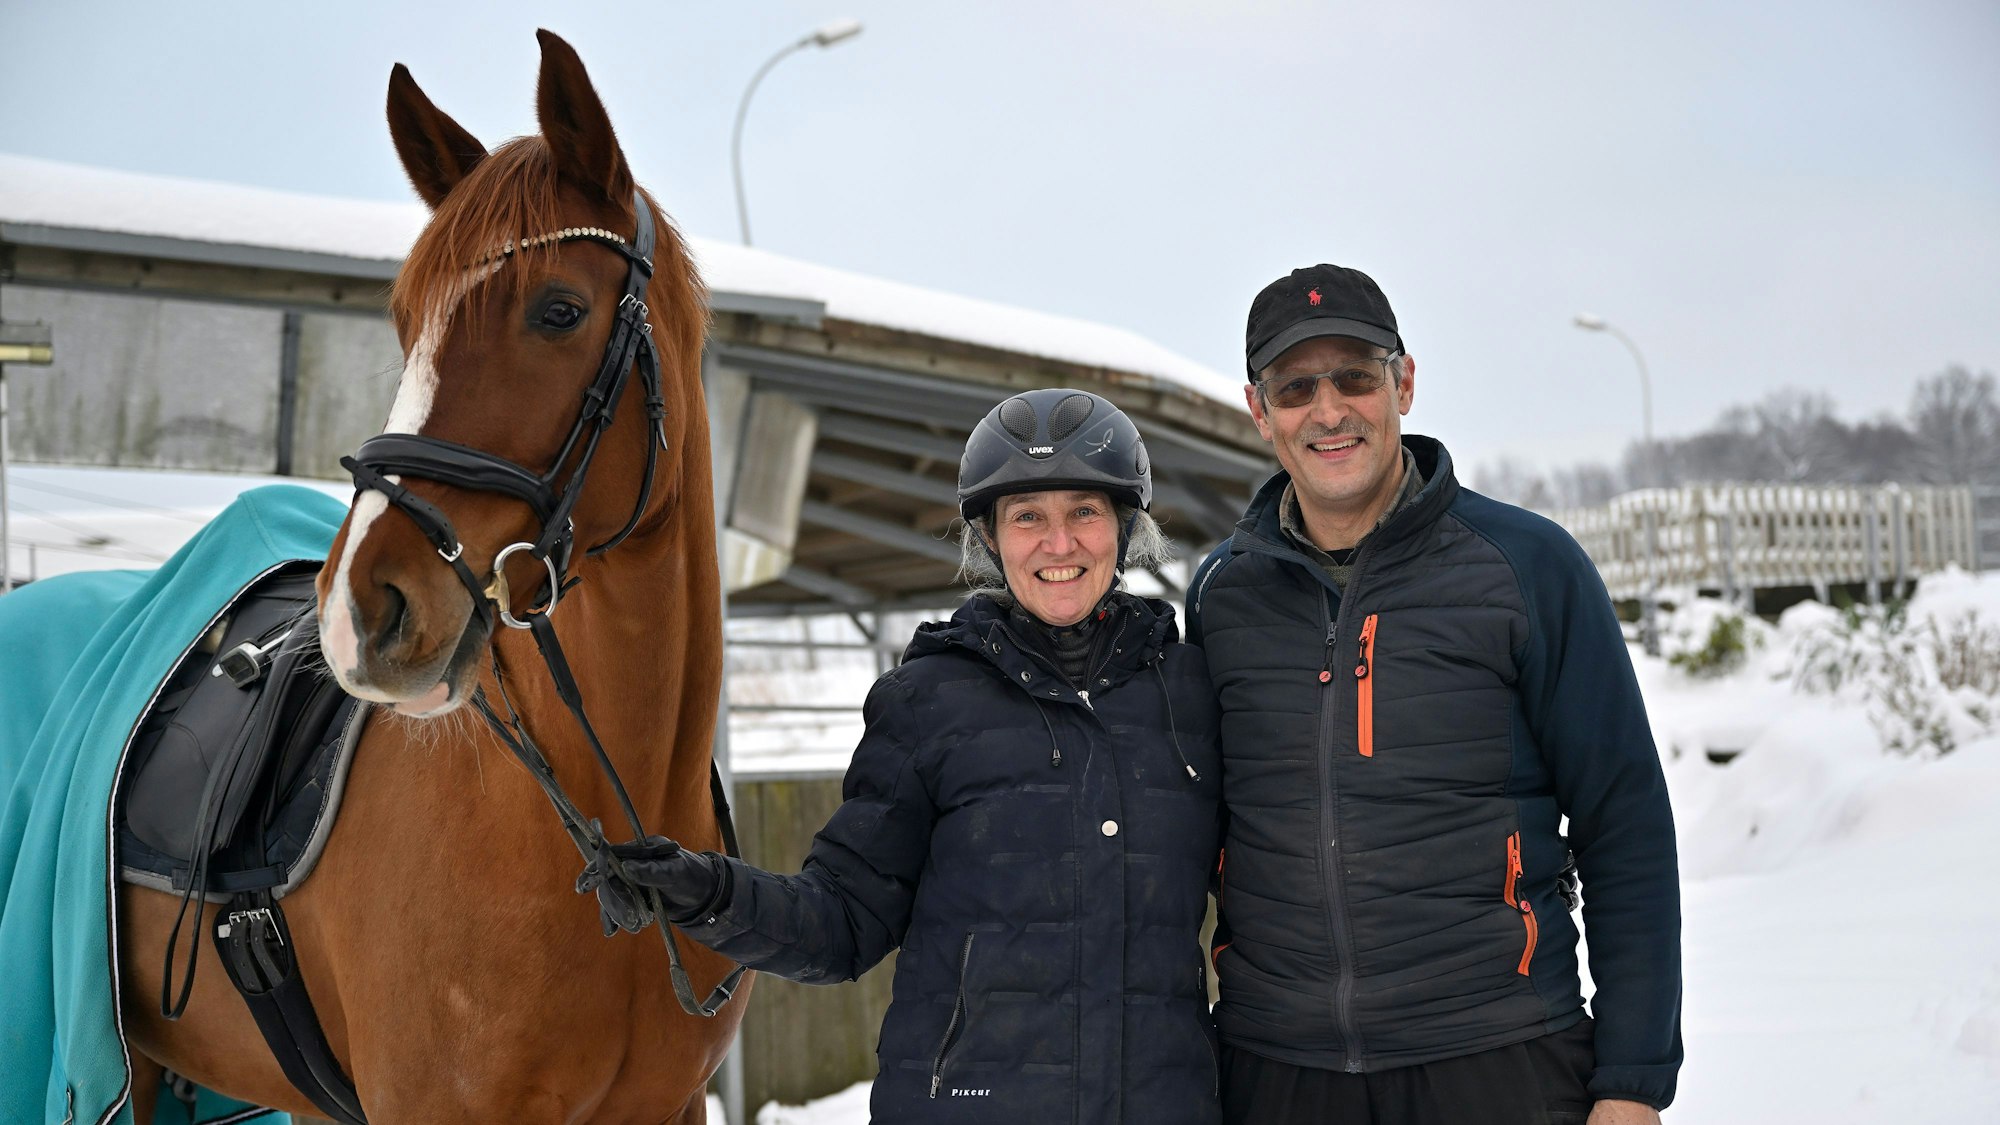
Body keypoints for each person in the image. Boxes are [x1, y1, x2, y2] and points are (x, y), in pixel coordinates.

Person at [585, 389, 1224, 1124]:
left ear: (1124, 525)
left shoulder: (1192, 698)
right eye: (1027, 517)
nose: (1059, 543)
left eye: (1084, 510)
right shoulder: (926, 701)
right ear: (989, 538)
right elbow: (843, 921)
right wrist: (707, 892)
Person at [1185, 265, 1681, 1125]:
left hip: (1499, 1059)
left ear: (1403, 383)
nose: (1329, 410)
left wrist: (1633, 1079)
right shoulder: (1222, 593)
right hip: (1277, 1070)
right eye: (1296, 387)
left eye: (1355, 376)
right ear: (1259, 412)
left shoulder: (1527, 567)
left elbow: (1623, 819)